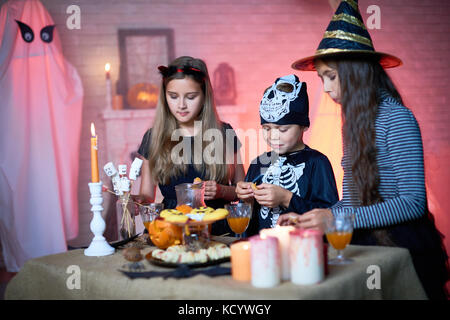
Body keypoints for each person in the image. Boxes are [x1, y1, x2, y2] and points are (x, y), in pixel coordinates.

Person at [279, 0, 449, 299]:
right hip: (369, 243)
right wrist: (314, 217)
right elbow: (351, 203)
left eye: (331, 75)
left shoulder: (396, 117)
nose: (327, 87)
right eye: (322, 78)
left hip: (403, 248)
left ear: (356, 71)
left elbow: (413, 203)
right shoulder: (353, 123)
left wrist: (336, 222)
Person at [137, 56, 245, 235]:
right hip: (171, 229)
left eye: (191, 97)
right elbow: (147, 195)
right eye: (173, 96)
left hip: (217, 230)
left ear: (204, 96)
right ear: (164, 97)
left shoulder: (224, 132)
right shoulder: (153, 137)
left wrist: (222, 191)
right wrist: (136, 200)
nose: (181, 105)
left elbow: (243, 191)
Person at [236, 74, 339, 235]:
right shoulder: (259, 163)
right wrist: (247, 201)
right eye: (267, 128)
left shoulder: (317, 162)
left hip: (302, 248)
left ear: (303, 126)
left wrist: (287, 198)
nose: (273, 136)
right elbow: (246, 225)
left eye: (283, 129)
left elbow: (331, 216)